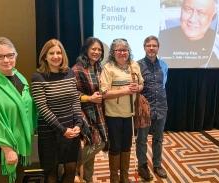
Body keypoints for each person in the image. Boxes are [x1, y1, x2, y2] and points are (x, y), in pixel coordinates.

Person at [0, 37, 36, 183]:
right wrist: (7, 149)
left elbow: (27, 108)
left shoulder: (19, 77)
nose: (6, 60)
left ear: (16, 55)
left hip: (20, 146)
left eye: (10, 55)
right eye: (0, 56)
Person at [31, 39, 83, 183]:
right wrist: (62, 130)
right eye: (51, 53)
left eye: (58, 52)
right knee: (51, 174)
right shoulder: (37, 77)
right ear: (44, 57)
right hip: (50, 133)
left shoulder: (69, 73)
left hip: (72, 130)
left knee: (71, 169)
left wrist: (78, 123)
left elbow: (75, 100)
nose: (56, 56)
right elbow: (42, 108)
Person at [100, 38, 144, 183]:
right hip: (113, 114)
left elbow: (141, 84)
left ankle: (124, 178)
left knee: (126, 146)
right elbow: (104, 93)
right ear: (113, 52)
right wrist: (125, 90)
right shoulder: (108, 68)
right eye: (118, 50)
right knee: (115, 147)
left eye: (125, 50)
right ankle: (114, 178)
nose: (122, 52)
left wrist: (138, 88)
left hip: (130, 114)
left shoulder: (134, 65)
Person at [72, 37, 108, 183]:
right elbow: (73, 94)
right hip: (83, 111)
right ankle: (71, 168)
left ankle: (88, 178)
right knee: (97, 143)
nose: (96, 52)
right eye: (93, 49)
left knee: (92, 145)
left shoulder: (99, 67)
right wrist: (89, 98)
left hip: (98, 110)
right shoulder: (77, 68)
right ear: (86, 50)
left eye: (99, 49)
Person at [136, 36, 169, 181]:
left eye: (154, 45)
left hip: (161, 106)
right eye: (148, 45)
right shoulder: (137, 65)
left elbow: (163, 85)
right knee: (142, 139)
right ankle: (142, 165)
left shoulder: (164, 65)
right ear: (144, 47)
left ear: (158, 48)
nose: (151, 48)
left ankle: (157, 165)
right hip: (144, 109)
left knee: (158, 139)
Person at [158, 0, 217, 67]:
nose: (192, 19)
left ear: (213, 17)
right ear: (181, 10)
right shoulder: (160, 38)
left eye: (201, 13)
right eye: (188, 10)